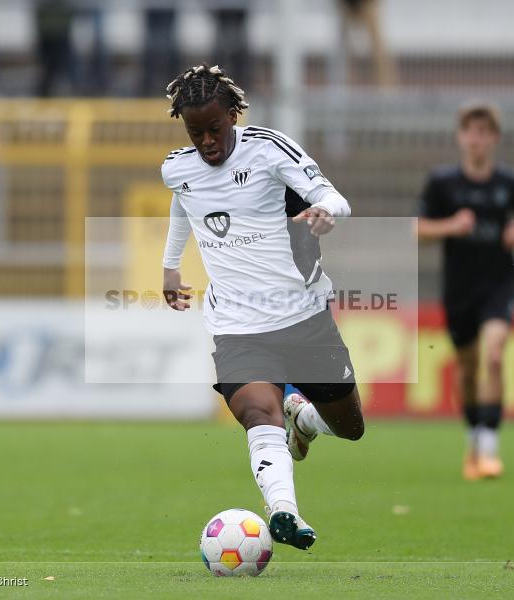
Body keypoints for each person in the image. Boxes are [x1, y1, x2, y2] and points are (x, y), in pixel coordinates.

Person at [160, 64, 364, 550]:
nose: (206, 141)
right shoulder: (177, 167)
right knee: (257, 412)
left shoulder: (270, 149)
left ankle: (304, 419)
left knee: (350, 427)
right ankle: (285, 513)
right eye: (196, 133)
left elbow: (335, 197)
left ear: (233, 115)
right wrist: (170, 266)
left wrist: (322, 212)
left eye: (214, 129)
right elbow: (182, 201)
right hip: (236, 325)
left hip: (304, 318)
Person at [415, 100, 514, 481]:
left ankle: (488, 448)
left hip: (499, 283)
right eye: (470, 131)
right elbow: (417, 230)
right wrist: (451, 226)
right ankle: (472, 438)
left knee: (495, 355)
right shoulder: (443, 184)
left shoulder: (510, 183)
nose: (476, 140)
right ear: (460, 136)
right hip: (459, 289)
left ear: (494, 138)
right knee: (467, 369)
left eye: (484, 133)